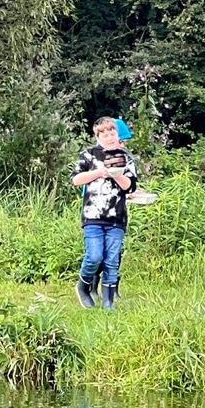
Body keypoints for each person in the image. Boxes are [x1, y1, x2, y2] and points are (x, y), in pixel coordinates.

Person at [72, 116, 137, 310]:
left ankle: (109, 302)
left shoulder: (126, 158)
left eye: (112, 133)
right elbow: (76, 180)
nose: (110, 137)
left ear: (117, 135)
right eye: (105, 134)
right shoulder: (89, 154)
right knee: (94, 256)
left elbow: (130, 187)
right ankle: (83, 286)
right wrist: (99, 172)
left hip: (117, 218)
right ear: (97, 136)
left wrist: (116, 175)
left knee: (112, 260)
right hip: (92, 216)